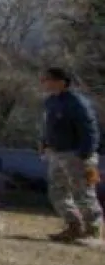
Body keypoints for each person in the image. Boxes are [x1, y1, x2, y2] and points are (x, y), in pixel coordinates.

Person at [39, 67, 101, 244]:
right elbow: (48, 126)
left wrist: (85, 154)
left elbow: (90, 130)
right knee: (57, 191)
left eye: (47, 79)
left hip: (77, 155)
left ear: (61, 81)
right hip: (56, 154)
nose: (44, 83)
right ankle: (73, 226)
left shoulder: (77, 103)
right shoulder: (50, 101)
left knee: (83, 192)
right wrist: (44, 144)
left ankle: (93, 231)